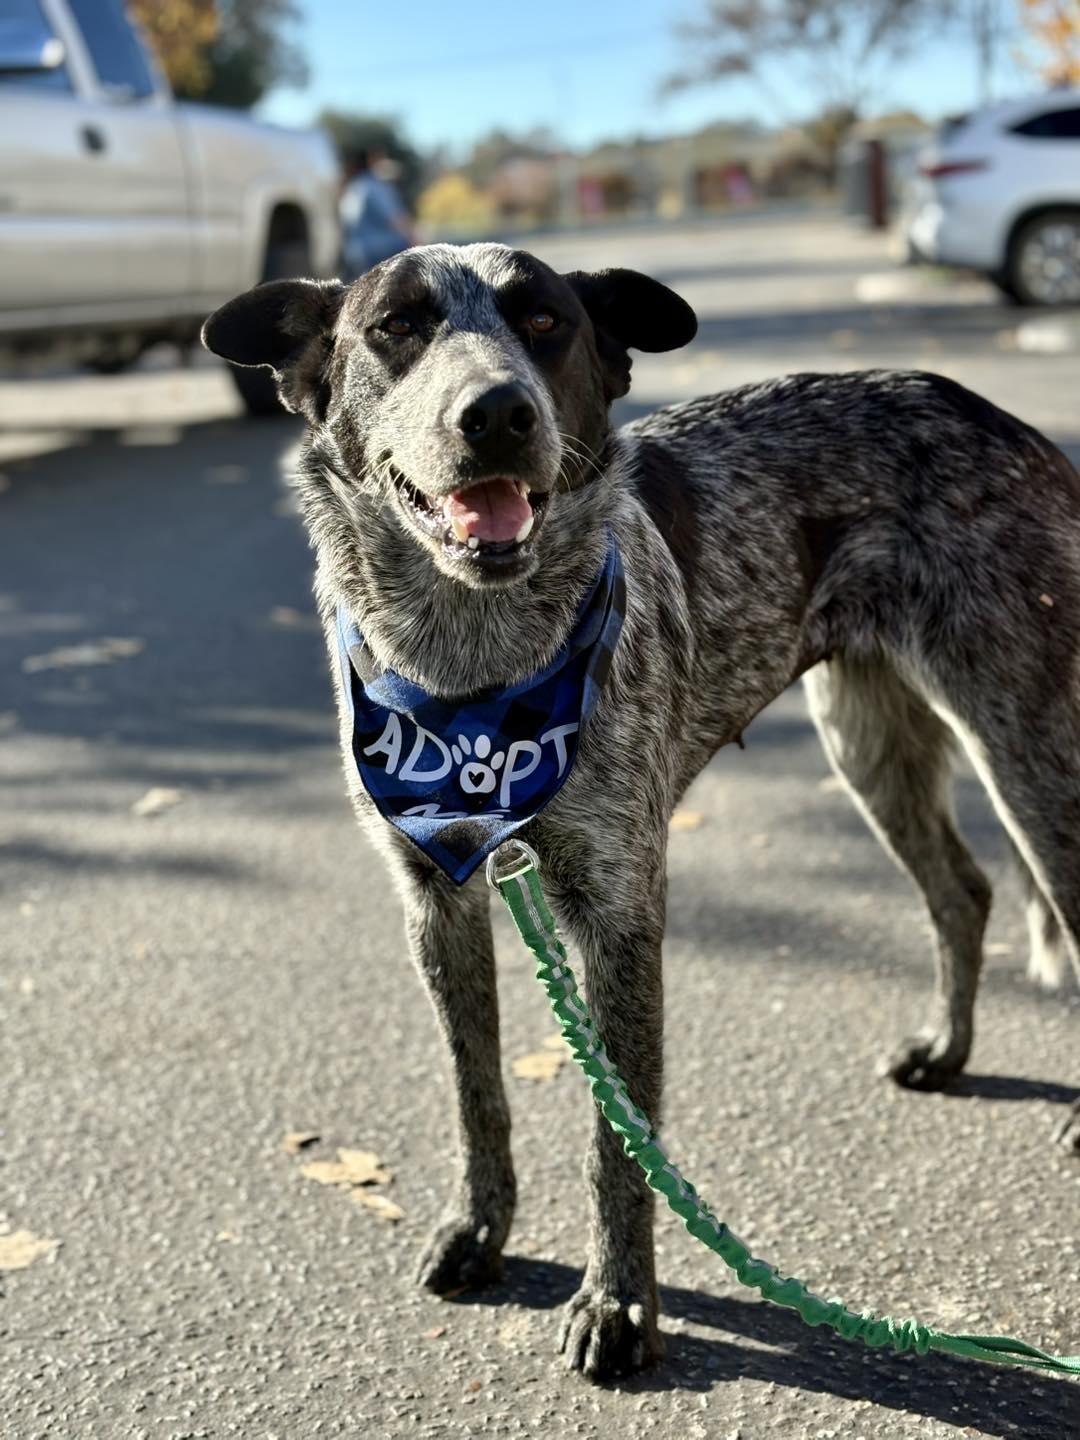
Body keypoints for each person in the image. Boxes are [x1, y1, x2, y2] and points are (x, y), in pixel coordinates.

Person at [339, 149, 415, 280]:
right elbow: (396, 219)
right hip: (379, 252)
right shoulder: (376, 187)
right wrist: (415, 240)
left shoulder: (353, 187)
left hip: (354, 253)